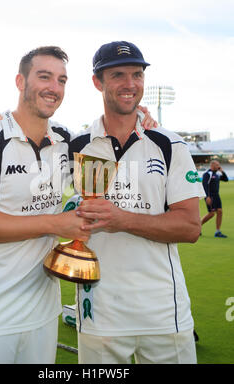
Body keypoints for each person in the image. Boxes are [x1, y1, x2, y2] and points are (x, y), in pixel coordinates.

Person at [0, 46, 92, 364]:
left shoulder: (66, 142)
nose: (54, 87)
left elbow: (110, 144)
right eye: (44, 76)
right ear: (20, 81)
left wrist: (139, 116)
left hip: (43, 313)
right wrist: (55, 224)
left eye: (62, 80)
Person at [72, 41, 205, 364]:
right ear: (97, 82)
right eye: (118, 75)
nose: (130, 84)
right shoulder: (74, 146)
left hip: (163, 313)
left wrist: (122, 219)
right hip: (98, 313)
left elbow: (189, 227)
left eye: (137, 74)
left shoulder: (170, 145)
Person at [201, 160, 228, 238]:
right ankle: (198, 226)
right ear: (212, 165)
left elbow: (226, 179)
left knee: (219, 211)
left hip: (216, 196)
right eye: (217, 165)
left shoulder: (217, 174)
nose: (218, 166)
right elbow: (204, 186)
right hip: (210, 196)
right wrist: (207, 197)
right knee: (212, 213)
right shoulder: (207, 174)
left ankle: (217, 231)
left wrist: (222, 171)